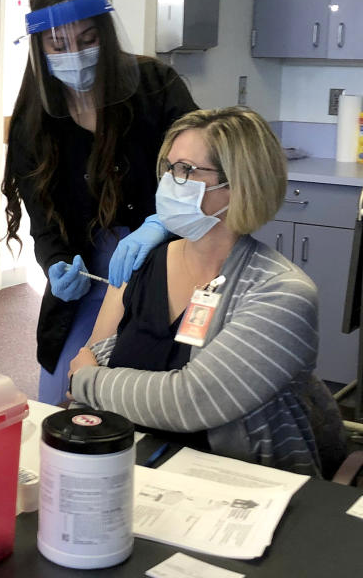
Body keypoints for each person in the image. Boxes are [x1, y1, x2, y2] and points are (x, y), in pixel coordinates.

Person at [68, 107, 348, 478]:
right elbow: (91, 361)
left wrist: (90, 383)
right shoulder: (145, 262)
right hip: (134, 469)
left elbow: (189, 401)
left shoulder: (283, 294)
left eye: (185, 170)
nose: (169, 182)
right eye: (168, 168)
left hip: (234, 489)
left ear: (240, 184)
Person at [2, 0, 197, 405]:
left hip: (166, 263)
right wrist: (54, 264)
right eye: (58, 44)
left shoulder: (156, 88)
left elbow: (200, 170)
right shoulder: (35, 120)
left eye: (88, 40)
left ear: (105, 34)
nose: (74, 53)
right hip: (87, 275)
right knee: (62, 400)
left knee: (145, 395)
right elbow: (42, 219)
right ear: (40, 46)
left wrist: (160, 224)